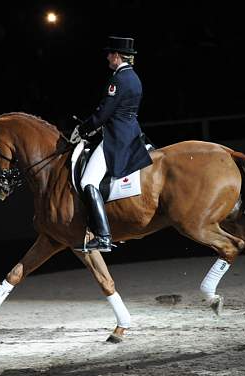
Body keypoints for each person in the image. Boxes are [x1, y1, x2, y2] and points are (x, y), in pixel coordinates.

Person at [71, 36, 153, 252]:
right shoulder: (134, 77)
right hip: (131, 132)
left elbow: (104, 112)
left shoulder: (118, 80)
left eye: (110, 54)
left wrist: (83, 129)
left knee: (88, 181)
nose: (108, 57)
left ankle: (104, 236)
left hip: (117, 139)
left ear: (117, 56)